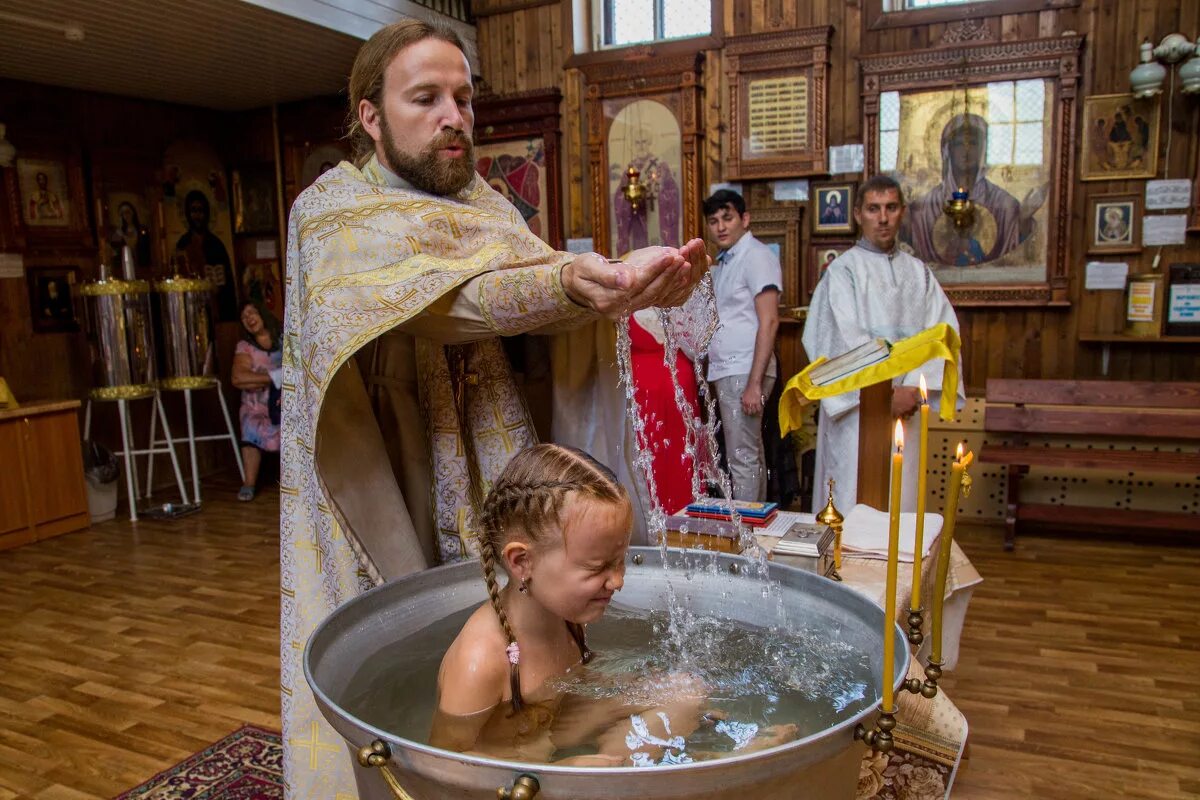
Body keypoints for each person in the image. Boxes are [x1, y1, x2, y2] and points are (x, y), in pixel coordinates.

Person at [280, 19, 709, 796]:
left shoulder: (488, 206)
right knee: (414, 642)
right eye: (427, 98)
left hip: (488, 433)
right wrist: (569, 282)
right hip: (393, 445)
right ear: (371, 116)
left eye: (464, 99)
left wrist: (611, 284)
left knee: (525, 614)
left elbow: (541, 290)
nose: (455, 117)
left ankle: (529, 752)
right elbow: (454, 304)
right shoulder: (330, 213)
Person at [803, 175, 964, 513]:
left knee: (902, 500)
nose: (883, 217)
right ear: (859, 214)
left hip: (907, 405)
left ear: (902, 211)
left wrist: (912, 390)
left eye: (891, 207)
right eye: (874, 209)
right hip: (858, 410)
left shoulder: (918, 274)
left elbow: (939, 335)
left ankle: (899, 566)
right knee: (850, 499)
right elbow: (840, 339)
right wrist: (884, 393)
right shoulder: (843, 272)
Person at [703, 189, 781, 501]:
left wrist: (754, 383)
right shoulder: (725, 262)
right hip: (733, 369)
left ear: (744, 219)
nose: (720, 226)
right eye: (713, 220)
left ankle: (747, 536)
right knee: (748, 455)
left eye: (728, 217)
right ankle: (755, 528)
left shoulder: (756, 256)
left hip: (745, 369)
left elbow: (770, 321)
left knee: (742, 458)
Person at [902, 113, 1044, 267]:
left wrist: (1023, 219)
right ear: (947, 150)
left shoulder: (1003, 202)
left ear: (983, 149)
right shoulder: (925, 207)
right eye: (959, 144)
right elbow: (913, 245)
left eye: (973, 143)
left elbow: (1015, 249)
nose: (966, 150)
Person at [629, 306, 702, 514]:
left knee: (680, 451)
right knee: (649, 451)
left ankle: (682, 511)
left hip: (674, 385)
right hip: (645, 389)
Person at [231, 302, 281, 502]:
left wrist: (258, 377)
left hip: (282, 403)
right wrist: (276, 377)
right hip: (256, 405)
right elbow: (238, 378)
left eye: (252, 312)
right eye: (244, 316)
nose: (249, 317)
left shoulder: (284, 338)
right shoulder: (245, 347)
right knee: (250, 424)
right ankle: (248, 483)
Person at [175, 190, 237, 321]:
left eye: (200, 210)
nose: (197, 215)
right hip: (192, 304)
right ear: (187, 213)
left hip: (216, 306)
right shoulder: (183, 243)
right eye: (193, 210)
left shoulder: (216, 244)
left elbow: (227, 283)